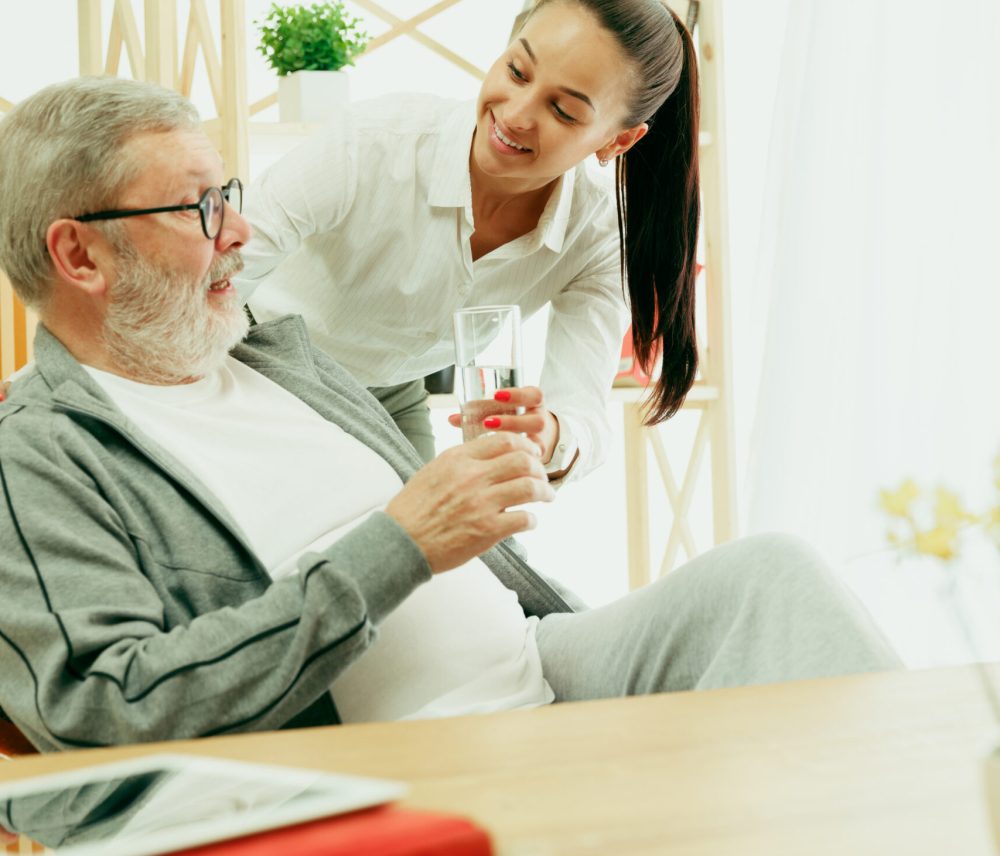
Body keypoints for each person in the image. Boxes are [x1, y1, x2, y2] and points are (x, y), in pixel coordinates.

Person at [0, 78, 899, 753]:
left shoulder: (282, 356)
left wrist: (512, 470)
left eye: (228, 194)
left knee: (772, 580)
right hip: (410, 753)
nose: (239, 231)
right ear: (80, 254)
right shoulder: (44, 452)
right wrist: (402, 543)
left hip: (544, 671)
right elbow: (97, 710)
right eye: (201, 207)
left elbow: (468, 546)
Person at [236, 0, 702, 481]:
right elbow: (213, 269)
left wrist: (545, 435)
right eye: (517, 71)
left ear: (618, 140)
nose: (516, 115)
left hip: (388, 400)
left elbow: (582, 415)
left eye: (563, 110)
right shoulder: (373, 144)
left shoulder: (595, 236)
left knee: (454, 551)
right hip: (257, 364)